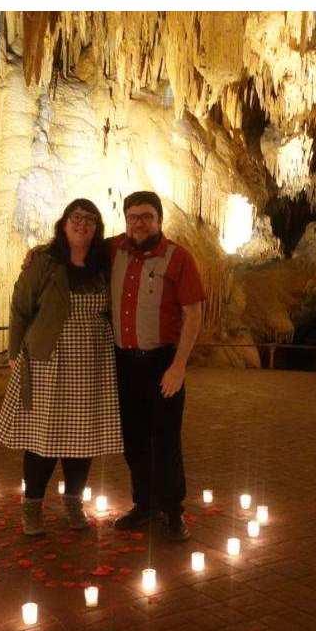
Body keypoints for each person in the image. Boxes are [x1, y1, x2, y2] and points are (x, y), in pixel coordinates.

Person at [0, 198, 123, 536]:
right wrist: (14, 351)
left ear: (97, 228)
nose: (82, 224)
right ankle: (32, 508)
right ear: (63, 223)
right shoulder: (44, 261)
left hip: (93, 361)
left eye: (90, 219)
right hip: (49, 360)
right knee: (43, 438)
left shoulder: (104, 262)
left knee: (83, 438)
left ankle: (73, 503)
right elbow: (20, 306)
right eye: (75, 217)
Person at [109, 190, 205, 541]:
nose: (139, 223)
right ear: (126, 220)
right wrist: (38, 254)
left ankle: (172, 510)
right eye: (133, 216)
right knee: (134, 439)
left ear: (159, 220)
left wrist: (179, 366)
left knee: (165, 438)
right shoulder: (113, 250)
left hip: (162, 362)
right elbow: (73, 248)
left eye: (146, 216)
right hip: (124, 362)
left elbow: (193, 313)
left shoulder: (178, 257)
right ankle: (144, 505)